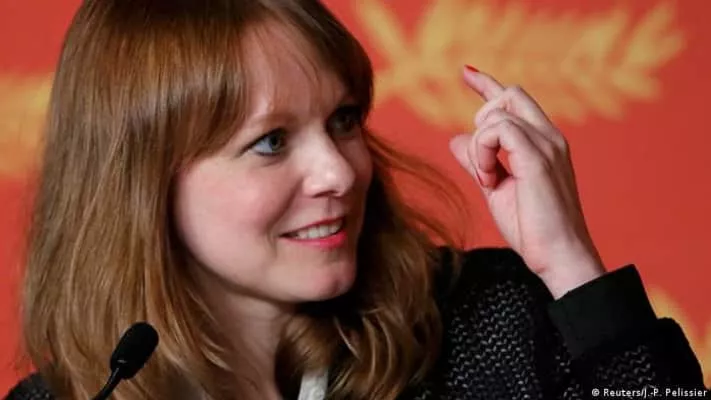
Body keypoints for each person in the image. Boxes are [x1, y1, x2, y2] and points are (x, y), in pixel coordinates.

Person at [5, 0, 708, 399]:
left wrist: (571, 269)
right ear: (140, 184)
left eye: (343, 119)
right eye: (271, 141)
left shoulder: (489, 319)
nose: (339, 172)